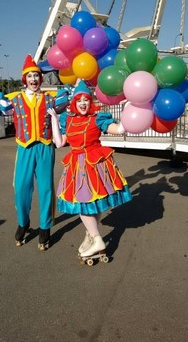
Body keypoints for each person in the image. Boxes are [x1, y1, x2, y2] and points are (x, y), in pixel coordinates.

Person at [0, 55, 58, 251]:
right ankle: (23, 223)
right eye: (30, 76)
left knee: (46, 189)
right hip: (24, 148)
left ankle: (45, 227)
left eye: (36, 75)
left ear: (40, 79)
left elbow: (75, 105)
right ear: (25, 79)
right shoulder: (15, 100)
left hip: (45, 147)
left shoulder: (51, 100)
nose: (33, 79)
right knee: (21, 188)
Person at [48, 80, 132, 262]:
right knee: (88, 203)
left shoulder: (97, 118)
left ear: (90, 101)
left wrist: (127, 110)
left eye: (86, 99)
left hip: (95, 164)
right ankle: (91, 234)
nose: (83, 103)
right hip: (77, 166)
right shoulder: (67, 120)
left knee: (89, 202)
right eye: (79, 100)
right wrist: (54, 119)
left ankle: (96, 239)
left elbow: (120, 129)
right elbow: (59, 142)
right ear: (74, 102)